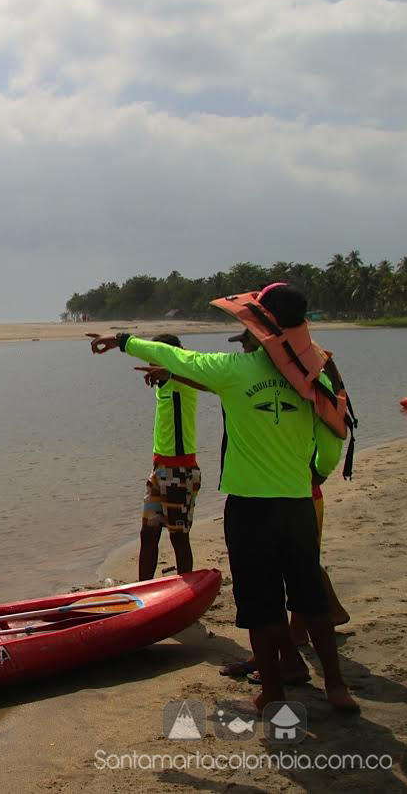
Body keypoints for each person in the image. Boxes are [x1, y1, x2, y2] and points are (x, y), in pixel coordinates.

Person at [89, 283, 357, 713]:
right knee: (309, 596)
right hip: (297, 504)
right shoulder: (315, 374)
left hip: (251, 508)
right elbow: (334, 432)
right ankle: (337, 686)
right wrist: (315, 473)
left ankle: (272, 692)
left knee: (260, 603)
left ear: (257, 325)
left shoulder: (236, 371)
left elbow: (180, 358)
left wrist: (123, 340)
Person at [133, 333, 199, 580]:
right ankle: (143, 590)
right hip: (159, 469)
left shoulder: (185, 382)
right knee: (148, 533)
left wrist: (170, 372)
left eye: (156, 358)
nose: (151, 363)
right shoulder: (163, 385)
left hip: (180, 471)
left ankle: (188, 591)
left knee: (178, 536)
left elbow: (189, 365)